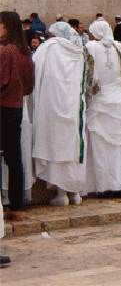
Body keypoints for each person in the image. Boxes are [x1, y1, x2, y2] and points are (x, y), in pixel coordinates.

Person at [82, 21, 121, 197]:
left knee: (103, 148)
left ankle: (106, 186)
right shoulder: (118, 47)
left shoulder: (90, 47)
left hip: (101, 102)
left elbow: (88, 76)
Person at [32, 22, 86, 206]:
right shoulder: (78, 51)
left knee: (55, 146)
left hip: (53, 105)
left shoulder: (48, 48)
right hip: (73, 107)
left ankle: (61, 194)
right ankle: (75, 193)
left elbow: (36, 71)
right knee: (73, 147)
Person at [0, 12, 34, 220]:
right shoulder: (24, 51)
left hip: (2, 106)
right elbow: (29, 85)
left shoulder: (5, 51)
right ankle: (17, 205)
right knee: (14, 157)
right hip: (16, 107)